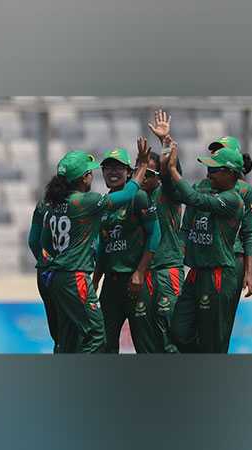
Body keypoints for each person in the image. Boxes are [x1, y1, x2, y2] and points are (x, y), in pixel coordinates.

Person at [40, 138, 150, 353]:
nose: (93, 175)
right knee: (97, 335)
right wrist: (143, 165)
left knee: (68, 335)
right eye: (90, 172)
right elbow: (128, 193)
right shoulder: (85, 201)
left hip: (54, 276)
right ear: (83, 178)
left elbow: (44, 245)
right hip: (75, 276)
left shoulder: (53, 204)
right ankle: (83, 380)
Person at [166, 140, 244, 353]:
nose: (208, 174)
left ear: (230, 173)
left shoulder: (232, 199)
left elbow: (193, 198)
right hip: (197, 273)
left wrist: (173, 169)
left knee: (214, 341)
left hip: (217, 274)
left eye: (214, 170)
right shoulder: (208, 191)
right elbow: (185, 197)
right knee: (179, 331)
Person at [92, 147, 161, 353]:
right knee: (105, 344)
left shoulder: (138, 196)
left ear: (129, 172)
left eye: (119, 168)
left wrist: (140, 272)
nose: (113, 172)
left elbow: (155, 235)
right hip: (111, 285)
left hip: (135, 283)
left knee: (145, 344)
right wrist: (95, 280)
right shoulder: (104, 203)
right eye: (108, 168)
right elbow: (104, 249)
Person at [203, 136, 252, 352]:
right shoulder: (205, 185)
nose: (215, 156)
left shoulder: (244, 190)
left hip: (230, 260)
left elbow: (249, 233)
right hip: (206, 260)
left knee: (220, 327)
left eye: (221, 151)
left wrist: (249, 273)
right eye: (214, 151)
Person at [143, 109, 187, 353]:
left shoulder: (166, 192)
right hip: (144, 271)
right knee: (150, 335)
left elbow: (173, 172)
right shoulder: (135, 196)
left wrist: (165, 142)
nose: (143, 177)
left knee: (172, 331)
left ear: (158, 176)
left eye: (150, 173)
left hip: (167, 267)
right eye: (141, 171)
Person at [28, 199, 59, 352]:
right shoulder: (84, 202)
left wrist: (45, 262)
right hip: (73, 274)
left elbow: (33, 241)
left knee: (58, 334)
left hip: (46, 273)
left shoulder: (43, 204)